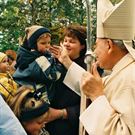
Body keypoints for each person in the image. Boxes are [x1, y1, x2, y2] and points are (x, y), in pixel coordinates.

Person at [55, 0, 135, 134]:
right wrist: (65, 61)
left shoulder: (130, 77)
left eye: (97, 45)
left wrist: (97, 96)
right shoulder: (122, 71)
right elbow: (90, 85)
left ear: (109, 45)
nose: (94, 51)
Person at [46, 25, 102, 135]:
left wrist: (62, 113)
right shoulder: (53, 62)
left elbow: (93, 102)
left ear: (82, 46)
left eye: (71, 41)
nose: (66, 44)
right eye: (65, 40)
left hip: (71, 127)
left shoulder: (91, 67)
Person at [13, 25, 66, 102]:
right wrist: (60, 63)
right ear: (33, 44)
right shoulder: (39, 60)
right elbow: (54, 76)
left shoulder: (27, 56)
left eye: (49, 42)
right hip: (41, 100)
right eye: (43, 43)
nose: (47, 45)